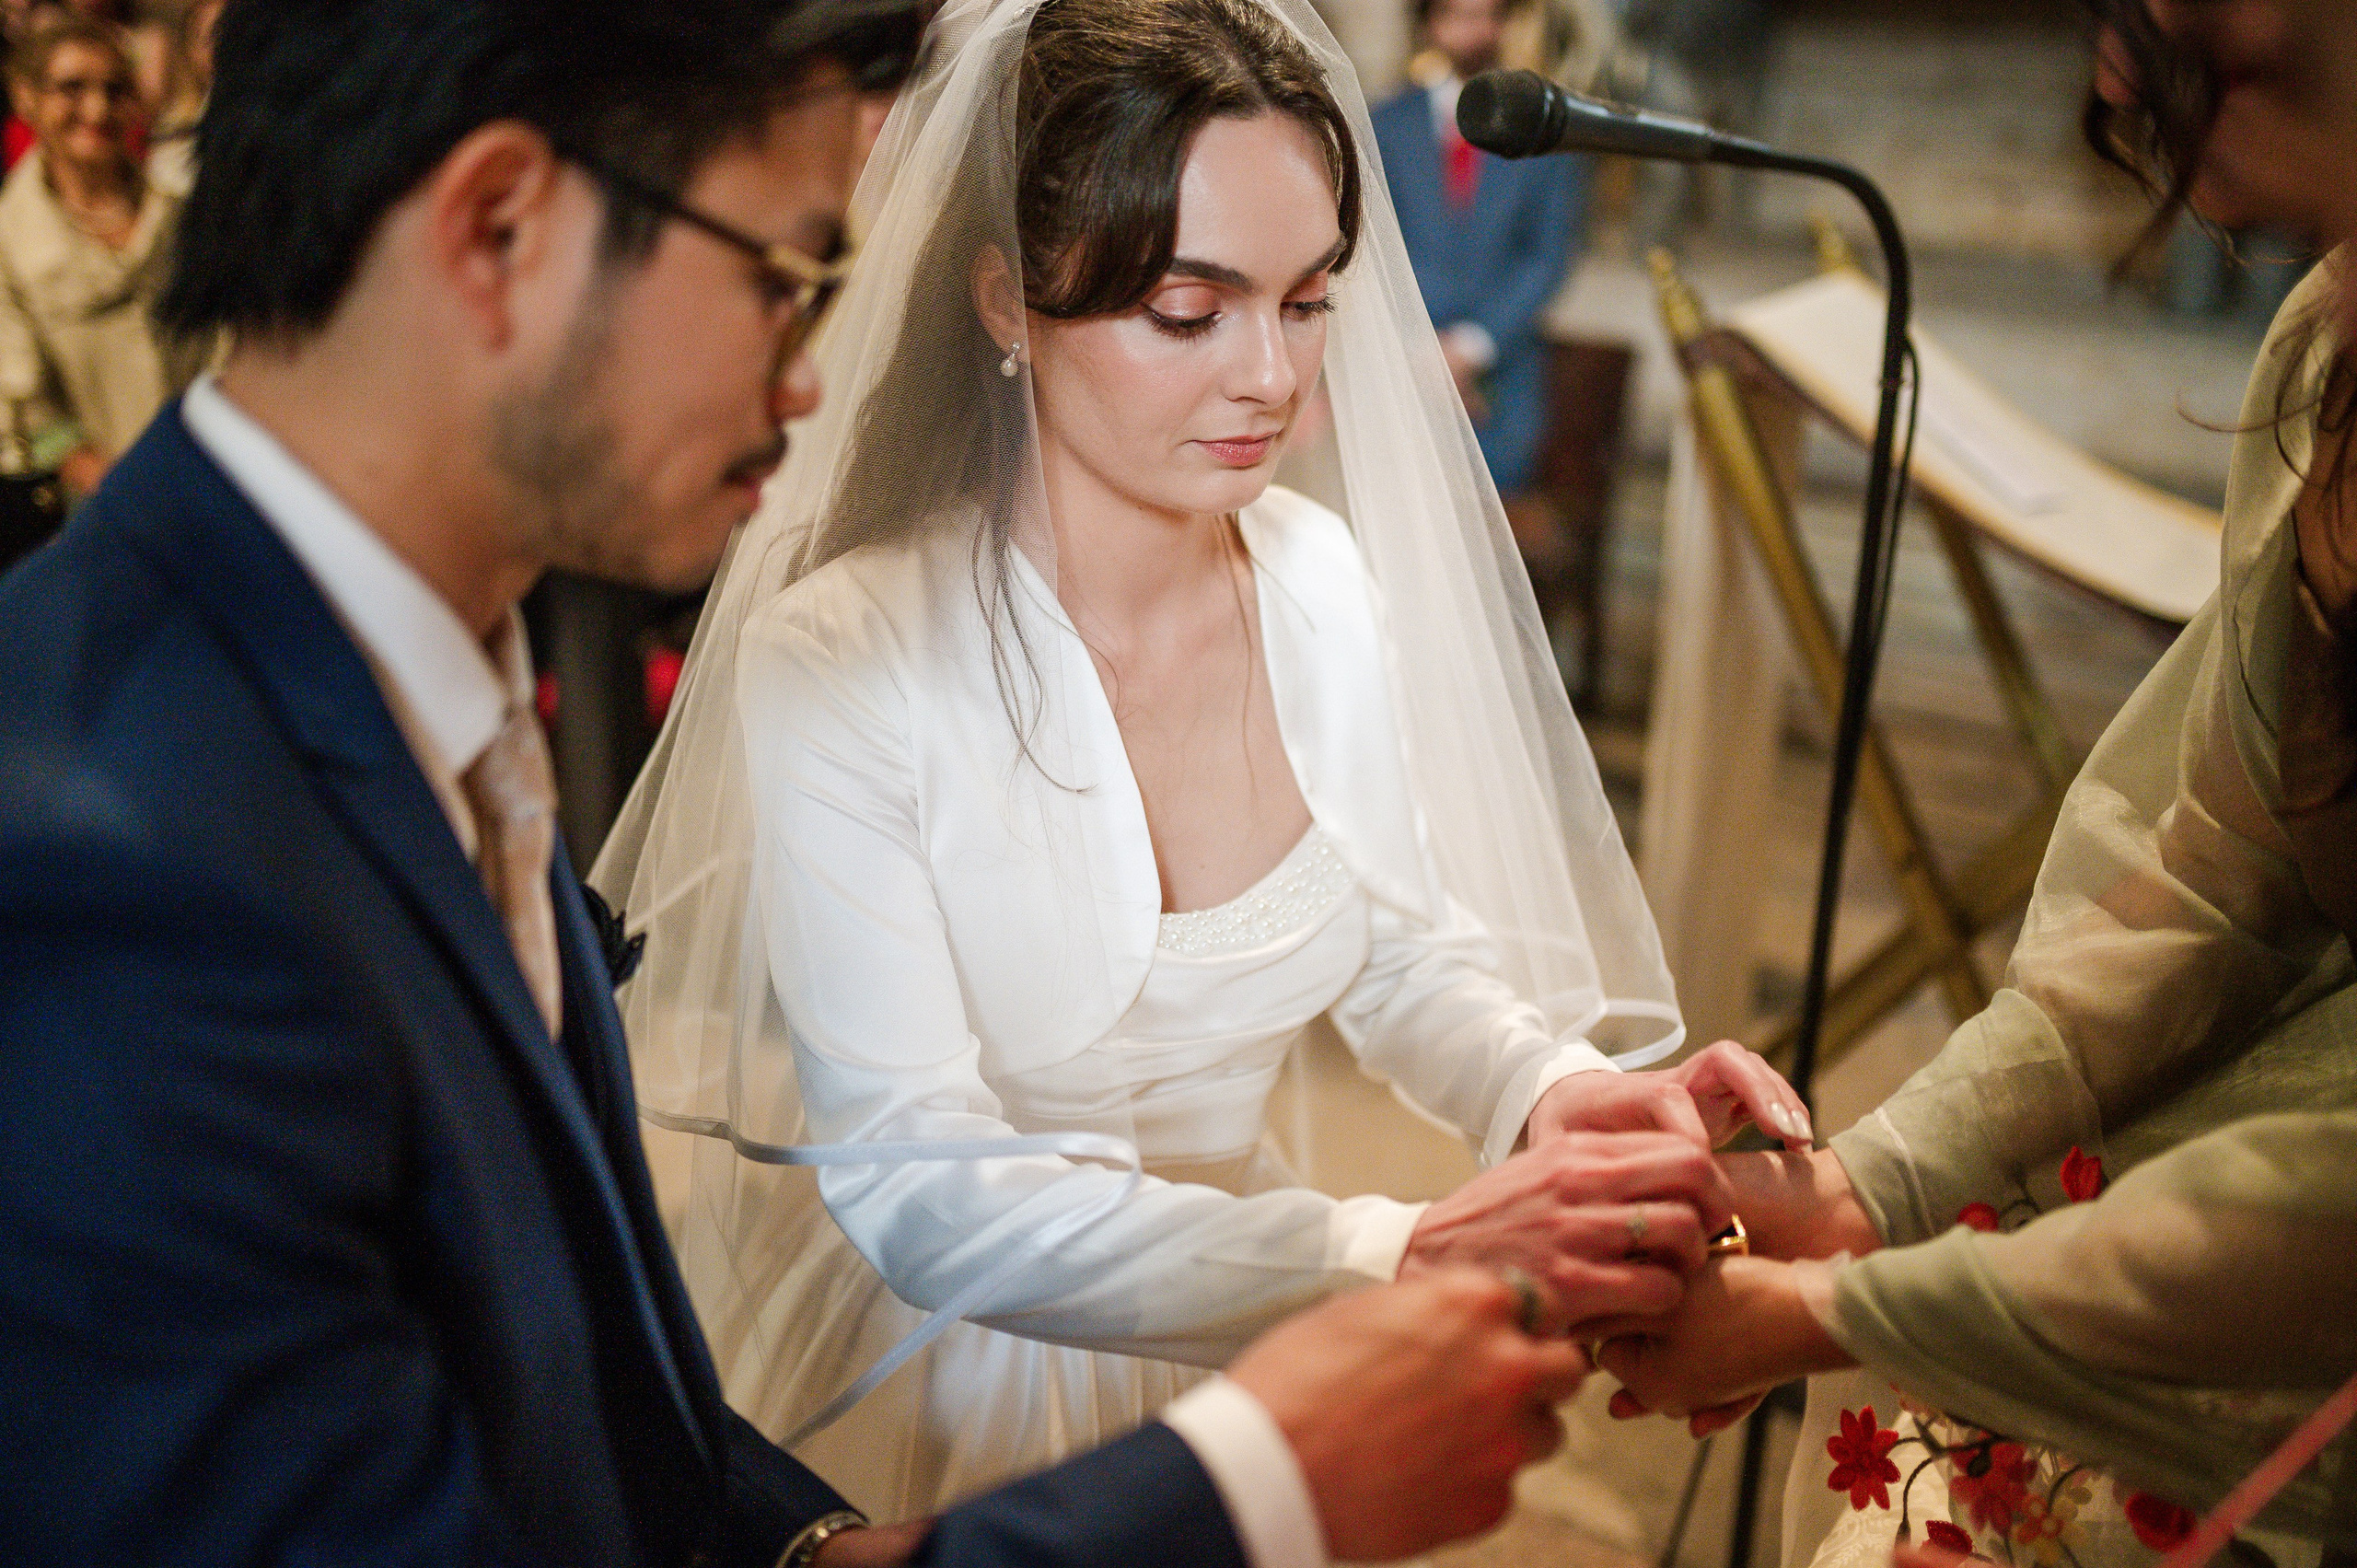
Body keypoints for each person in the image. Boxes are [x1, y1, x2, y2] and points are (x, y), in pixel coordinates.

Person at [0, 1, 1636, 1564]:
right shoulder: (124, 862)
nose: (807, 381)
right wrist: (1261, 1476)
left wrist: (802, 1539)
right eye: (784, 274)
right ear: (498, 228)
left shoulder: (424, 689)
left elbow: (560, 1385)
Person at [595, 0, 1810, 1525]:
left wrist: (1553, 1091)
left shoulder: (1317, 582)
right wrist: (1400, 1249)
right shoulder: (845, 655)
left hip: (1240, 1335)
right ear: (1003, 302)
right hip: (943, 1378)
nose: (1272, 378)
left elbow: (1399, 951)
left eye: (1308, 303)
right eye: (1191, 310)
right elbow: (920, 1185)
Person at [1585, 1, 2357, 1561]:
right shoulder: (2328, 335)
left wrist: (1828, 1301)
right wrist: (1874, 1176)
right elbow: (2215, 861)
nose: (2119, 70)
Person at [1368, 0, 1587, 494]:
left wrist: (1470, 349)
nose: (1473, 30)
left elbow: (1549, 256)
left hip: (1501, 379)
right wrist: (1422, 351)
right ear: (1429, 22)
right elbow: (1371, 247)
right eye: (1456, 14)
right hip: (1400, 365)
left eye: (1486, 14)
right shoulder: (1385, 123)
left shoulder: (1544, 129)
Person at [0, 15, 185, 502]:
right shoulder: (10, 243)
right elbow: (24, 411)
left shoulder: (175, 216)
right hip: (106, 520)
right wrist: (121, 487)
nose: (97, 109)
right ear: (27, 97)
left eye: (115, 89)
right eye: (71, 88)